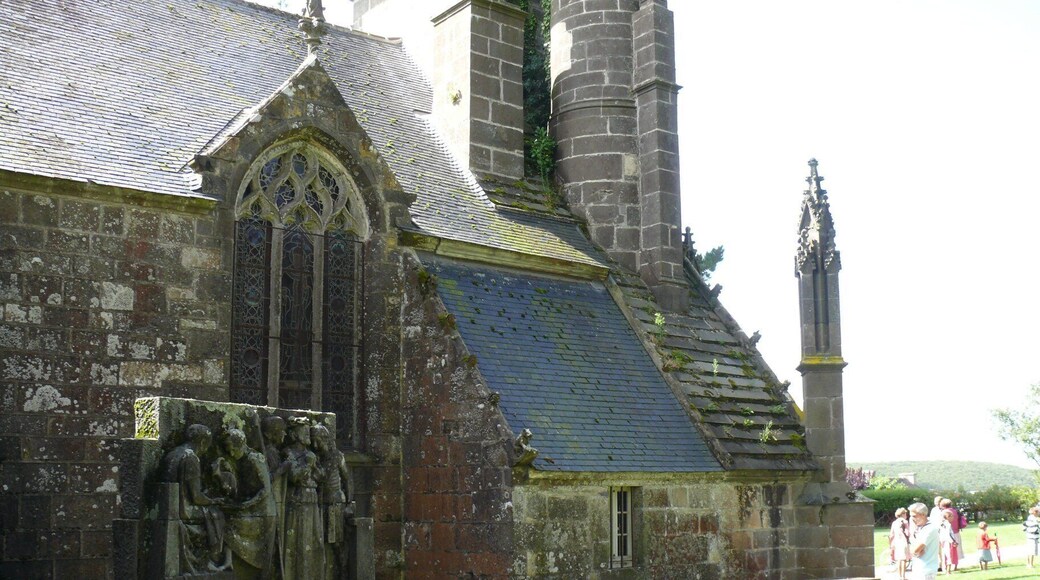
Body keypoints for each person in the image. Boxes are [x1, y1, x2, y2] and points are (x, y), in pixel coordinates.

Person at [909, 502, 940, 580]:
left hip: (926, 571)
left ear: (923, 514)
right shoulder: (920, 528)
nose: (912, 519)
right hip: (919, 569)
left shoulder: (929, 529)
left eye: (914, 516)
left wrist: (914, 551)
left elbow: (915, 550)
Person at [939, 498, 965, 566]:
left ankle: (948, 565)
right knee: (957, 549)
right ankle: (956, 565)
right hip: (956, 531)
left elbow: (941, 524)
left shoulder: (944, 513)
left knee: (947, 550)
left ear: (943, 505)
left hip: (947, 534)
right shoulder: (955, 511)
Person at [889, 507, 911, 580]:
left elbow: (891, 534)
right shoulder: (905, 522)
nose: (906, 515)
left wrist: (890, 544)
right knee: (904, 559)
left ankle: (899, 576)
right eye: (905, 513)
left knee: (898, 559)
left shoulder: (894, 522)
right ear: (903, 514)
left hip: (896, 542)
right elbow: (907, 533)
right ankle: (903, 576)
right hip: (903, 541)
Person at [939, 508, 958, 574]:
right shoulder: (948, 525)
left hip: (943, 542)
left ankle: (946, 569)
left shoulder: (942, 524)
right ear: (948, 517)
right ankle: (948, 571)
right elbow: (948, 534)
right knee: (949, 555)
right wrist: (953, 541)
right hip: (948, 542)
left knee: (945, 555)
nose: (953, 518)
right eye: (952, 516)